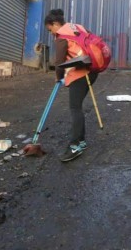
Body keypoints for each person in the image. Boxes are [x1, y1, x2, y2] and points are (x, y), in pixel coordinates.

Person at [44, 9, 98, 162]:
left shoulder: (62, 36)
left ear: (55, 24)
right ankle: (81, 141)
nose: (51, 33)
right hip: (92, 71)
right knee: (78, 106)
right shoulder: (78, 27)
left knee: (75, 108)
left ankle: (75, 146)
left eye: (50, 29)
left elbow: (59, 63)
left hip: (80, 74)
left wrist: (58, 78)